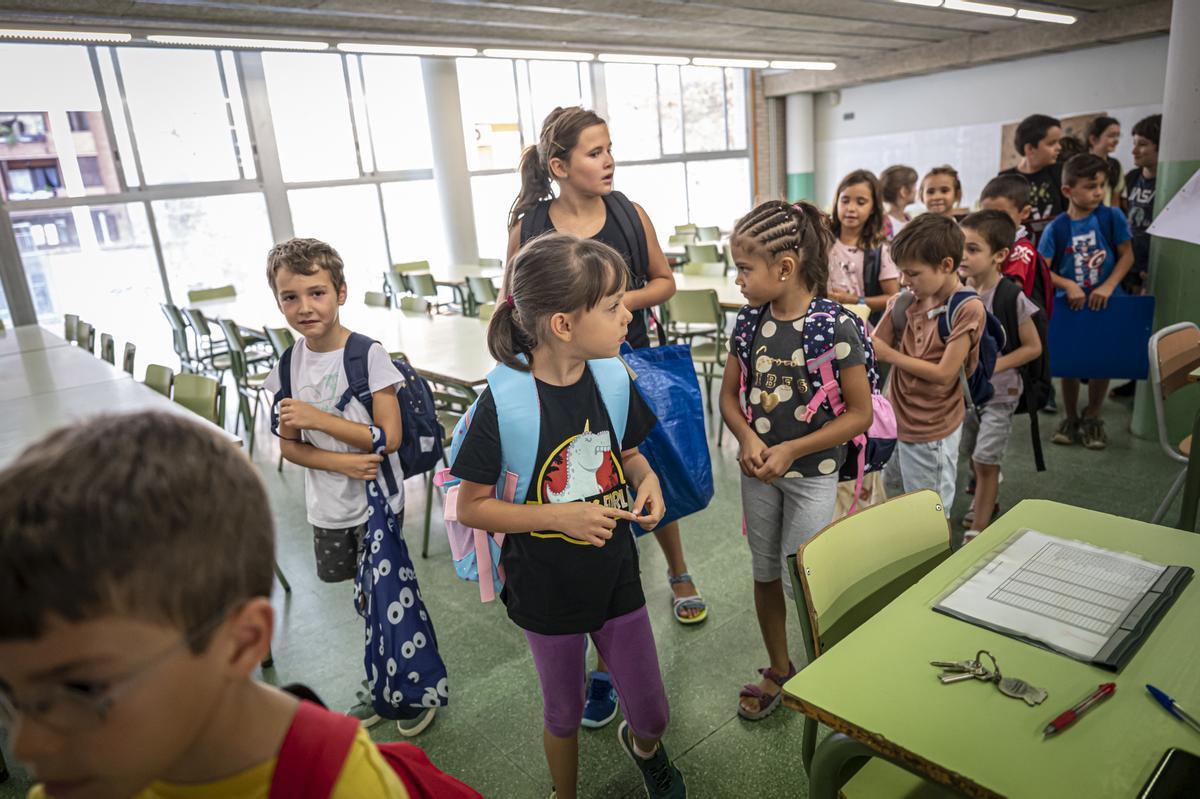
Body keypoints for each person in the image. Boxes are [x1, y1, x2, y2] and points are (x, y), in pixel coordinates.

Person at [0, 412, 420, 798]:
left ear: (241, 643)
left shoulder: (345, 788)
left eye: (80, 690)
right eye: (8, 696)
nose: (26, 745)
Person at [451, 234, 684, 799]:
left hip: (615, 573)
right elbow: (472, 506)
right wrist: (560, 518)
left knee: (652, 712)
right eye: (612, 306)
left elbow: (627, 456)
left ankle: (643, 746)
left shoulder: (611, 377)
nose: (628, 313)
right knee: (564, 711)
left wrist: (648, 480)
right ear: (562, 324)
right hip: (544, 586)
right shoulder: (501, 405)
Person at [506, 106, 706, 732]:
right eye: (595, 152)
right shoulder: (530, 223)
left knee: (652, 474)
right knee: (592, 490)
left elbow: (666, 281)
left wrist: (610, 304)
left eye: (610, 148)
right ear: (559, 166)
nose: (609, 160)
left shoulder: (627, 211)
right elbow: (514, 301)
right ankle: (602, 659)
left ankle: (677, 571)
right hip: (566, 373)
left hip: (628, 362)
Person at [262, 237, 434, 736]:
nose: (304, 307)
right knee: (365, 603)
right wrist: (337, 464)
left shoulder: (368, 356)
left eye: (317, 293)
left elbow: (388, 437)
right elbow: (290, 446)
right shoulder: (288, 367)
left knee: (391, 599)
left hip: (378, 507)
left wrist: (320, 418)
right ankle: (385, 683)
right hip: (329, 510)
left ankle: (412, 688)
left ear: (340, 292)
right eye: (290, 297)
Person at [718, 200, 872, 720]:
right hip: (758, 474)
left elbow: (858, 416)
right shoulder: (746, 323)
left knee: (800, 577)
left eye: (744, 268)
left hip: (811, 477)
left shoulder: (835, 328)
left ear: (785, 269)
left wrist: (791, 449)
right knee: (764, 572)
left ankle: (823, 669)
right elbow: (729, 397)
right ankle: (781, 668)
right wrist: (746, 438)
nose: (737, 279)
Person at [873, 214, 984, 515]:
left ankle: (932, 564)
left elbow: (944, 373)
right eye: (902, 273)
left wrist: (891, 355)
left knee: (927, 515)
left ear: (946, 266)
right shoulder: (907, 301)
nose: (904, 281)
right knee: (891, 499)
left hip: (930, 430)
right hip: (893, 422)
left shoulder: (967, 308)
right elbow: (873, 345)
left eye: (913, 273)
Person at [957, 211, 1043, 540]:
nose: (963, 256)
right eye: (960, 247)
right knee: (970, 453)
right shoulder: (958, 293)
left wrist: (992, 366)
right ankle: (985, 500)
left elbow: (1032, 347)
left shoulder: (1011, 297)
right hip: (966, 396)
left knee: (985, 460)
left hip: (1000, 395)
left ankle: (978, 528)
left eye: (973, 249)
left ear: (1000, 256)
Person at [1039, 153, 1133, 450]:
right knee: (1069, 362)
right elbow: (1041, 268)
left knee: (1100, 362)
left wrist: (1107, 286)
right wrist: (1066, 284)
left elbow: (1127, 255)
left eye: (1101, 185)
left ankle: (1093, 416)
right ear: (1068, 190)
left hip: (1106, 304)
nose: (1098, 192)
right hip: (1070, 307)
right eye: (1091, 186)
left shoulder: (1112, 217)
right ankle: (1070, 417)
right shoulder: (1057, 227)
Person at [1110, 114, 1161, 399]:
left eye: (1143, 145)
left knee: (1147, 322)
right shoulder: (1132, 178)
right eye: (1135, 144)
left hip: (1151, 261)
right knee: (1130, 322)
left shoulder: (1166, 181)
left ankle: (1141, 380)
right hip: (1131, 256)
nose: (1134, 151)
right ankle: (1130, 375)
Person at [826, 169, 900, 323]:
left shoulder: (881, 251)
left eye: (861, 202)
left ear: (873, 207)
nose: (851, 208)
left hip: (863, 330)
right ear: (836, 201)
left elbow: (892, 298)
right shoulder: (822, 242)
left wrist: (853, 300)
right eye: (845, 200)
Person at [979, 174, 1054, 314]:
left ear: (1025, 212)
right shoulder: (988, 242)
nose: (992, 221)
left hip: (1011, 322)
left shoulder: (1022, 249)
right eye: (987, 214)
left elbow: (1010, 290)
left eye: (1002, 214)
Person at [999, 114, 1064, 246]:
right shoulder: (1005, 179)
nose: (1059, 147)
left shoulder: (1061, 172)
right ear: (1030, 149)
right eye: (1051, 143)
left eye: (1058, 142)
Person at [1086, 115, 1124, 209]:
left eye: (1118, 136)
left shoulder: (1115, 165)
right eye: (1111, 135)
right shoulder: (1078, 165)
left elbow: (1115, 199)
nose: (1116, 140)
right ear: (1093, 139)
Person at [879, 165, 918, 239]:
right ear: (904, 191)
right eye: (914, 186)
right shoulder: (883, 225)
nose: (916, 190)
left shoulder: (909, 218)